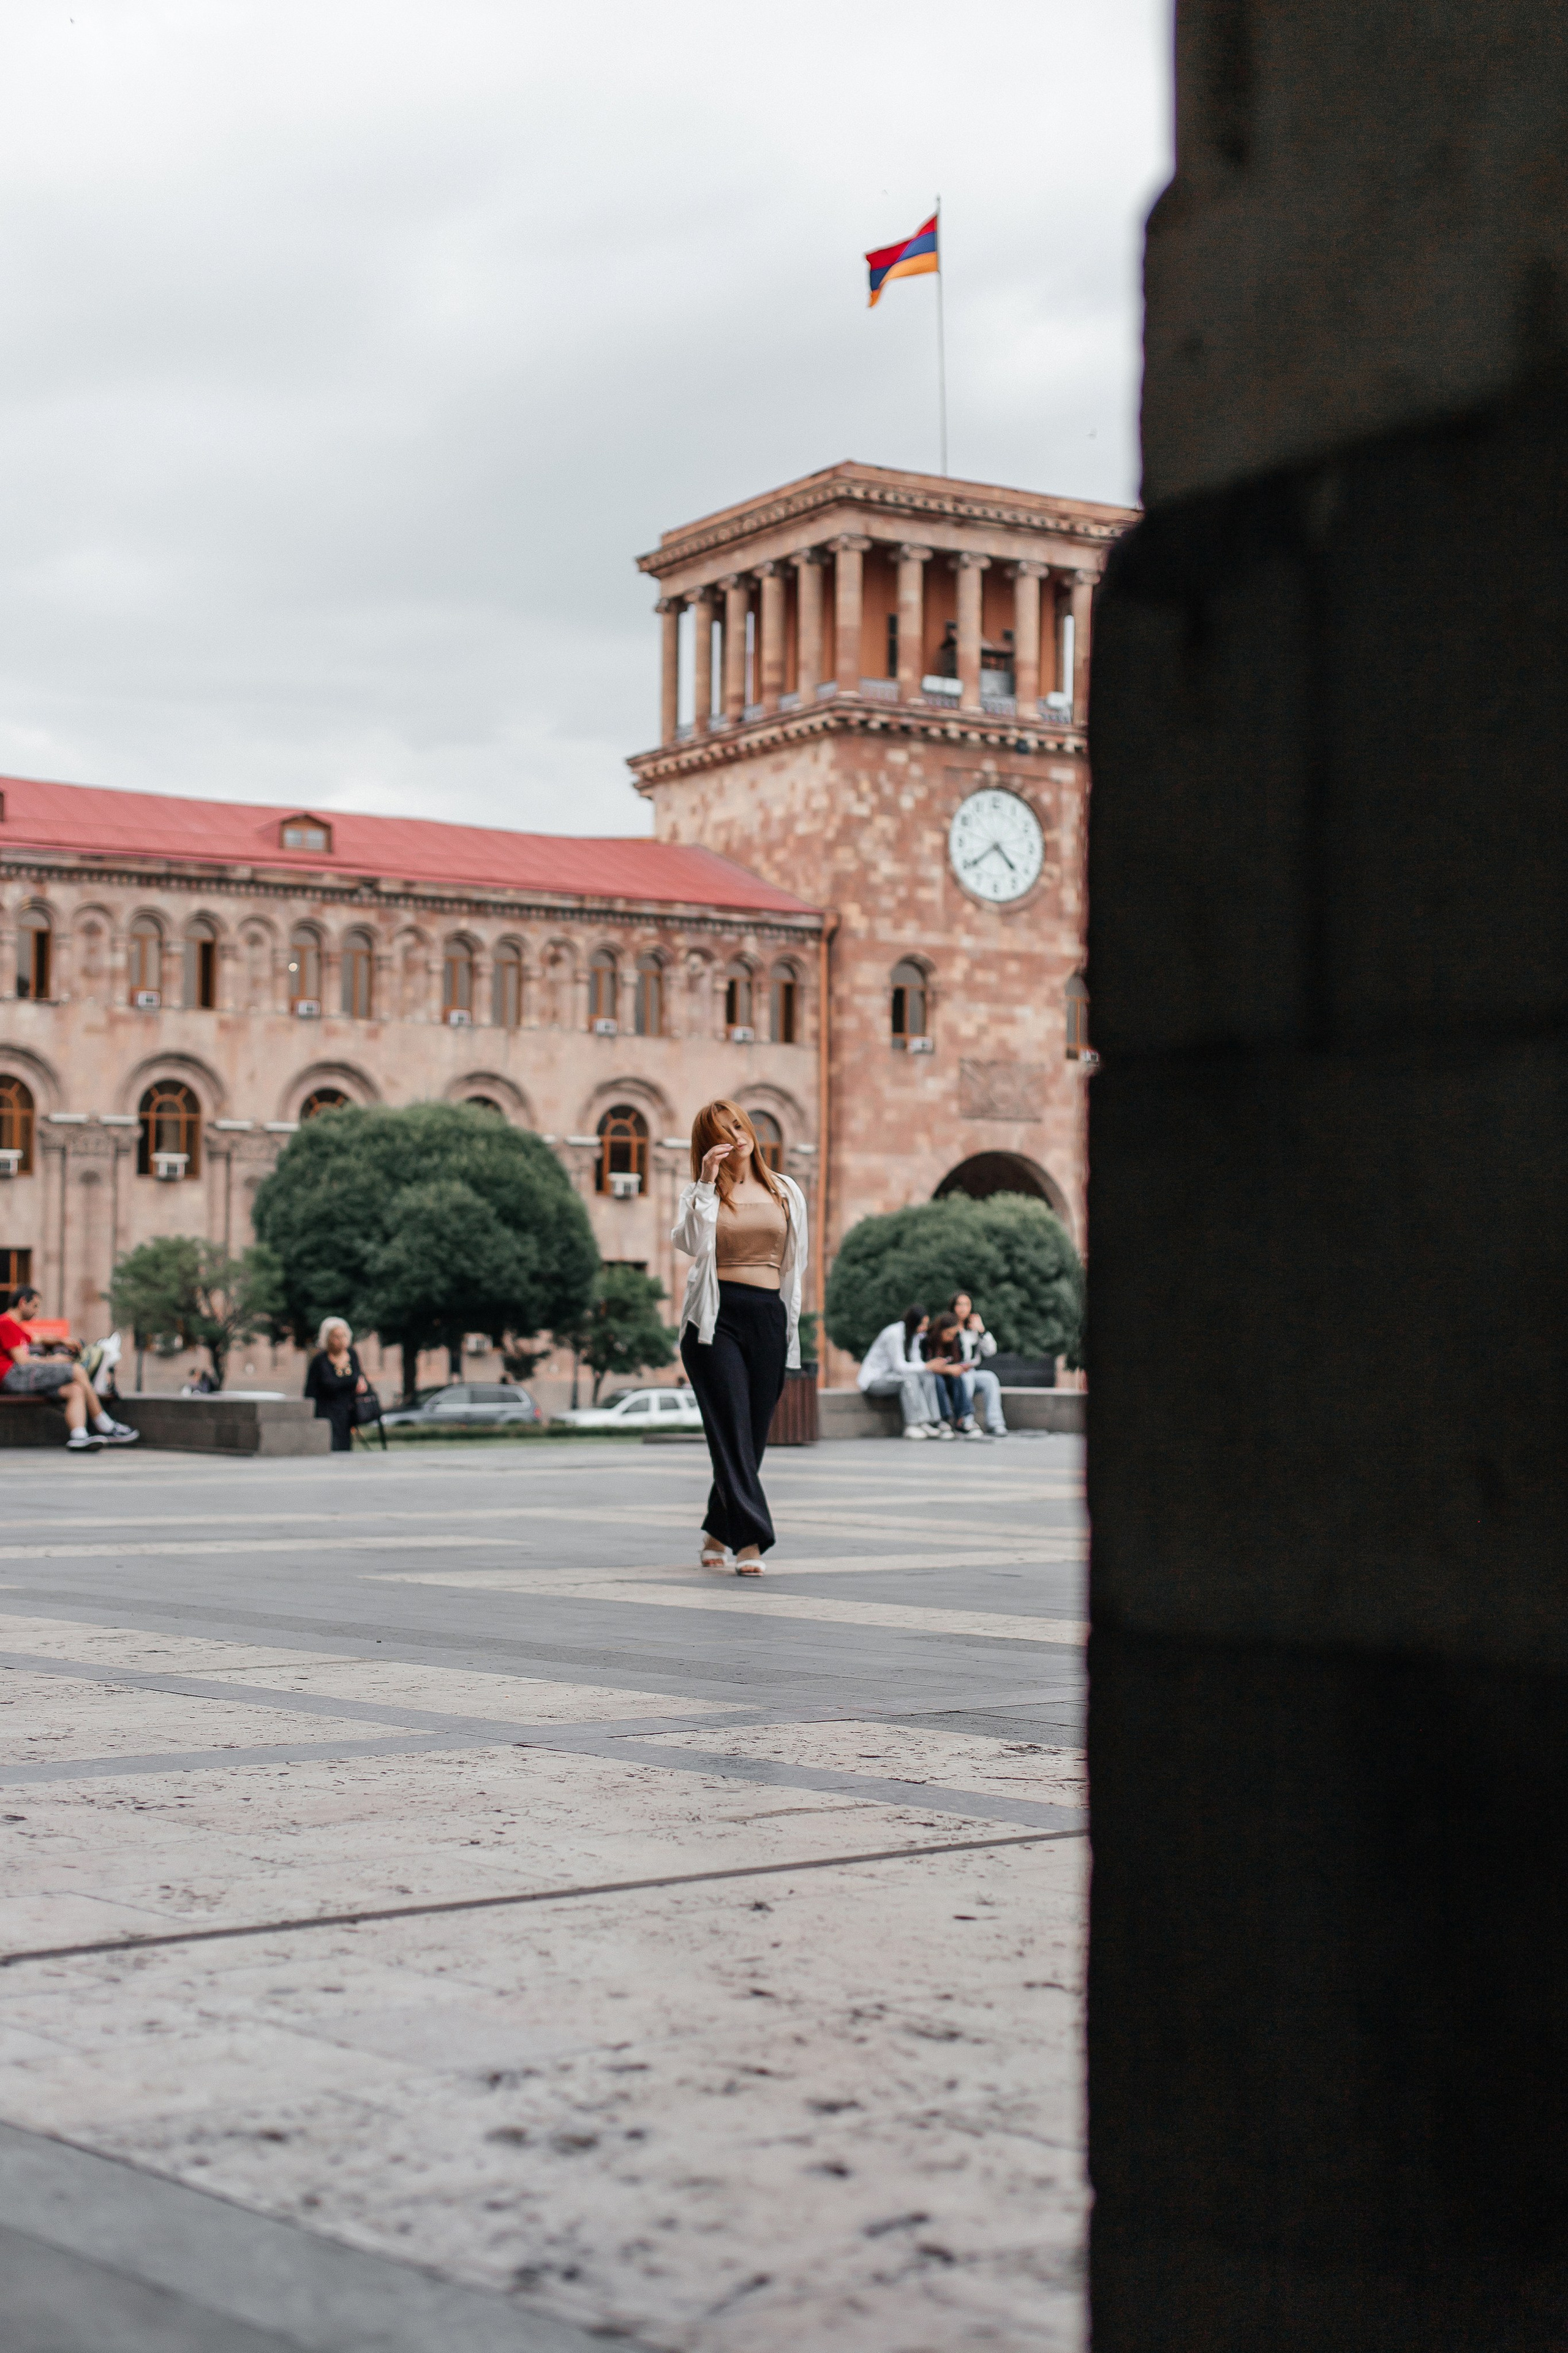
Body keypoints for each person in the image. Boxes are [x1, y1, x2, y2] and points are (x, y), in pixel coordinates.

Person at [673, 1098, 808, 1575]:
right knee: (731, 1428)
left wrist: (791, 1328)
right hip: (716, 1320)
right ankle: (749, 1539)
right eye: (721, 1130)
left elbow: (796, 1264)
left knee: (749, 1439)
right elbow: (688, 1242)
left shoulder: (786, 1190)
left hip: (768, 1316)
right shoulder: (701, 1193)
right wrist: (707, 1182)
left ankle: (716, 1529)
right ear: (709, 1145)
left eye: (738, 1123)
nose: (735, 1133)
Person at [0, 1286, 139, 1451]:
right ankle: (105, 1425)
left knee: (75, 1389)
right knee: (76, 1370)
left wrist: (63, 1341)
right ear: (23, 1303)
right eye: (35, 1306)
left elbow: (39, 1339)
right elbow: (22, 1361)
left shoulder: (16, 1327)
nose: (36, 1312)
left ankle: (79, 1436)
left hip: (22, 1377)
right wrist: (55, 1360)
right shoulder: (5, 1323)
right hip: (12, 1377)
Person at [858, 1305, 950, 1440]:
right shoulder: (894, 1334)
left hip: (894, 1377)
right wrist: (927, 1366)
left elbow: (916, 1362)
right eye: (922, 1324)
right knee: (909, 1379)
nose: (925, 1328)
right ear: (913, 1323)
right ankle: (912, 1425)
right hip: (875, 1380)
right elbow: (899, 1366)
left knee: (928, 1377)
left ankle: (931, 1421)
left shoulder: (914, 1336)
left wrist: (930, 1367)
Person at [304, 1316, 372, 1452]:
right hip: (327, 1411)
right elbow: (312, 1390)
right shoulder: (320, 1360)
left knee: (345, 1448)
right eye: (335, 1336)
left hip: (348, 1410)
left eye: (343, 1336)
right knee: (332, 1447)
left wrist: (362, 1384)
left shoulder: (352, 1355)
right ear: (327, 1338)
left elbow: (359, 1376)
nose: (340, 1340)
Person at [950, 1291, 1008, 1437]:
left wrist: (982, 1330)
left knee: (990, 1378)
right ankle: (965, 1422)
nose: (963, 1308)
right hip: (954, 1372)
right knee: (967, 1379)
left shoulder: (974, 1329)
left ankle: (995, 1423)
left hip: (972, 1370)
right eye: (959, 1305)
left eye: (966, 1305)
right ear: (953, 1307)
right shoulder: (948, 1326)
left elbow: (990, 1351)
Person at [923, 1311, 985, 1438]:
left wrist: (960, 1368)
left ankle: (963, 1420)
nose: (951, 1337)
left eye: (953, 1334)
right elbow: (926, 1366)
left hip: (949, 1376)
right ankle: (942, 1420)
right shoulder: (927, 1340)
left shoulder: (955, 1341)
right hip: (931, 1377)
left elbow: (957, 1361)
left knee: (959, 1379)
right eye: (948, 1334)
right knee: (937, 1381)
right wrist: (948, 1369)